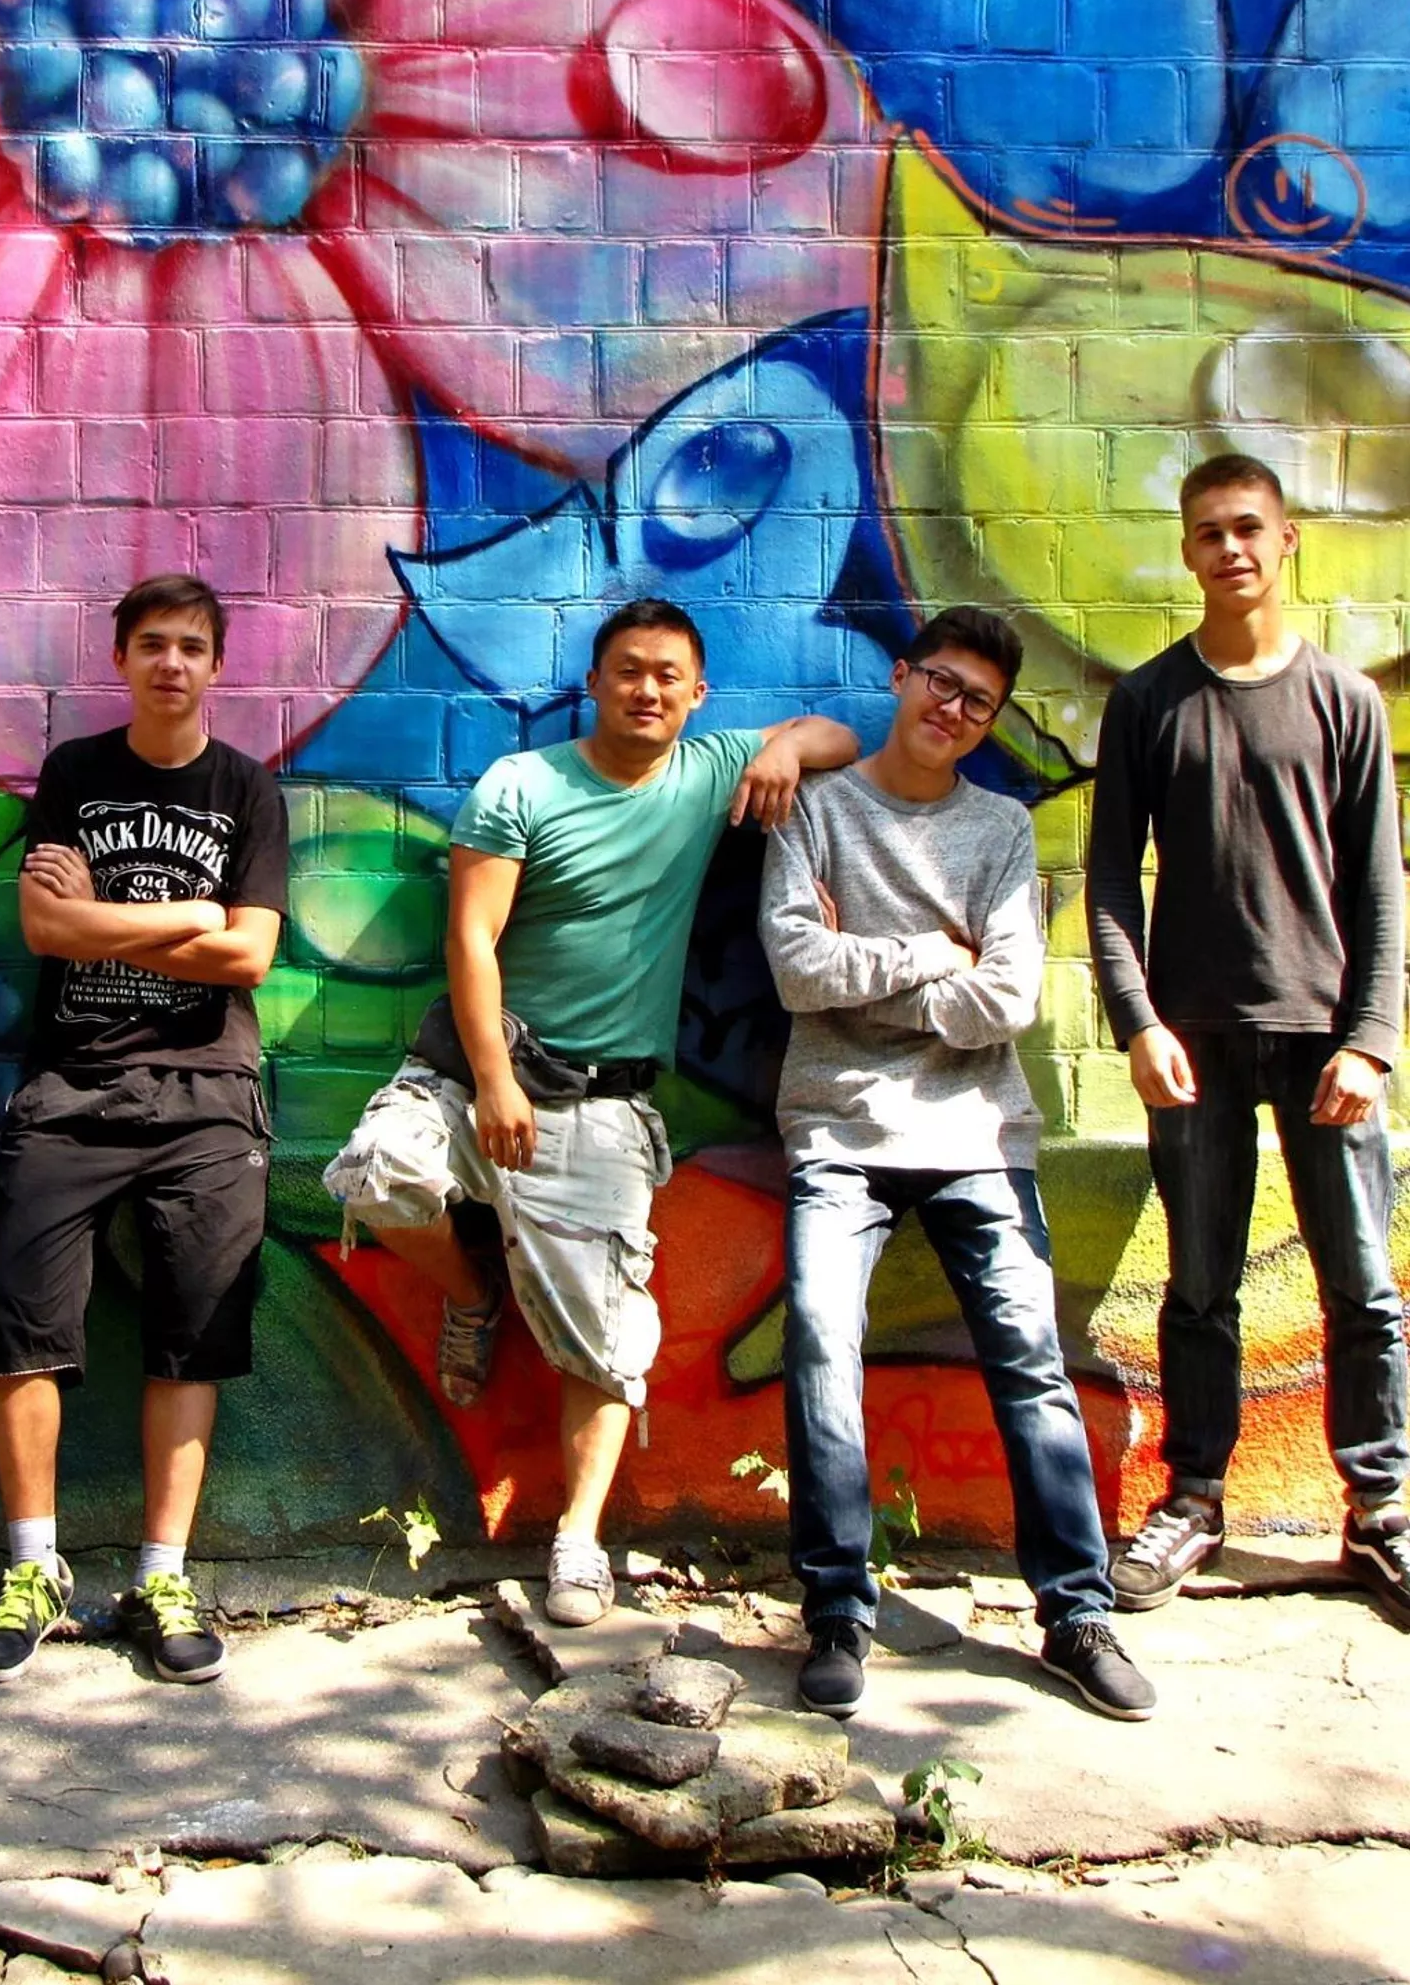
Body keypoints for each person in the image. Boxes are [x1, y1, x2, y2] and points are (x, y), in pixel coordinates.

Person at [323, 598, 857, 1627]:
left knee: (606, 1337)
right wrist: (494, 1082)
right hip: (476, 1072)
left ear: (696, 695)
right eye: (628, 671)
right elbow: (470, 940)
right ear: (596, 683)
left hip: (605, 1105)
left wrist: (787, 748)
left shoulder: (710, 768)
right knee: (377, 1175)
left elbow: (840, 735)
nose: (647, 689)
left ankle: (577, 1541)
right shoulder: (522, 784)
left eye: (668, 675)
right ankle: (473, 1293)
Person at [760, 605, 1156, 1722]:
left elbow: (1009, 1000)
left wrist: (868, 975)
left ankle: (1076, 1612)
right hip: (838, 1130)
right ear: (902, 676)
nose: (954, 709)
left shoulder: (1001, 830)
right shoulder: (819, 810)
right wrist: (936, 953)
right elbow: (795, 969)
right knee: (822, 1345)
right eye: (941, 681)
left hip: (978, 1136)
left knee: (1030, 1358)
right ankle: (837, 1609)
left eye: (979, 701)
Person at [1088, 454, 1408, 1626]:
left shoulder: (1345, 702)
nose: (1230, 548)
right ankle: (1195, 1500)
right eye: (1210, 532)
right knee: (1199, 1290)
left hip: (1326, 1043)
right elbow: (1109, 882)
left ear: (1286, 541)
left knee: (1362, 1290)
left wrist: (1371, 1039)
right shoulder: (1148, 702)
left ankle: (1380, 1510)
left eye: (1249, 528)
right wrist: (1137, 1023)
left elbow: (1382, 887)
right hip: (1196, 1046)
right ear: (1187, 552)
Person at [0, 574, 288, 1688]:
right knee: (21, 1324)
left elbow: (250, 955)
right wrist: (187, 914)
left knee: (193, 1333)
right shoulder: (75, 774)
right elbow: (42, 929)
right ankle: (32, 1569)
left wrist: (106, 920)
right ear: (121, 657)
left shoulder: (246, 789)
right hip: (72, 1086)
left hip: (208, 1091)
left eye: (191, 646)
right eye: (152, 644)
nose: (171, 663)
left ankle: (161, 1576)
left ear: (216, 664)